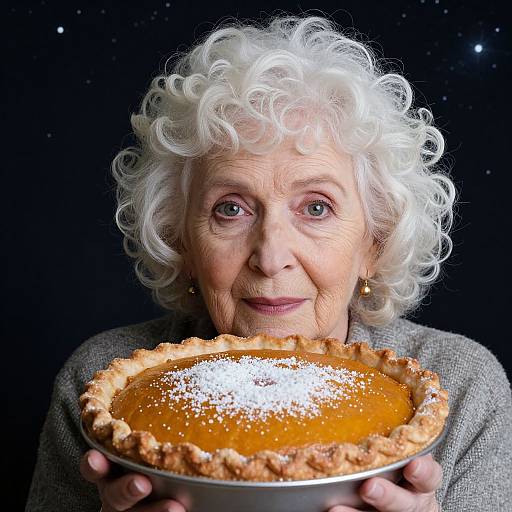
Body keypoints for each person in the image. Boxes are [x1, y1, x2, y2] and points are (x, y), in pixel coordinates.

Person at [25, 14, 512, 512]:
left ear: (375, 241)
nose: (271, 257)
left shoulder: (464, 387)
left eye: (316, 207)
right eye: (231, 208)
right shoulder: (99, 381)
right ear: (180, 240)